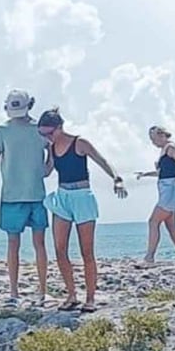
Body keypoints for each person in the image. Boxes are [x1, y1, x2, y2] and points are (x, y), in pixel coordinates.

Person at [38, 108, 126, 312]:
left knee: (87, 251)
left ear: (59, 127)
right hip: (62, 197)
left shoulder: (80, 143)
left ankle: (90, 299)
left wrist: (117, 179)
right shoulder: (50, 148)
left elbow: (102, 160)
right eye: (42, 134)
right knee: (60, 250)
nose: (47, 137)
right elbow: (46, 171)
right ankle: (71, 295)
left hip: (82, 196)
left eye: (49, 133)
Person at [0, 89, 49, 304]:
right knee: (14, 244)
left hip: (34, 193)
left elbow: (54, 150)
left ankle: (42, 289)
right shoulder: (2, 130)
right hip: (12, 194)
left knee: (38, 243)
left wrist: (49, 167)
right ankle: (14, 291)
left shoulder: (40, 129)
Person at [136, 125, 175, 265]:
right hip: (166, 189)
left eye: (154, 138)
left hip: (171, 190)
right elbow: (164, 173)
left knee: (153, 221)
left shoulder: (171, 147)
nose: (153, 142)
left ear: (162, 135)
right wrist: (145, 174)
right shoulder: (163, 151)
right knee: (171, 227)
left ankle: (149, 258)